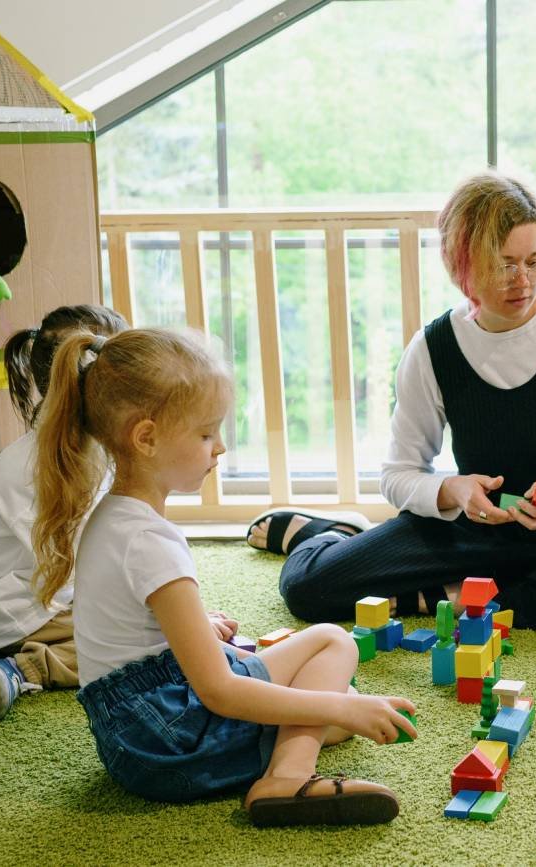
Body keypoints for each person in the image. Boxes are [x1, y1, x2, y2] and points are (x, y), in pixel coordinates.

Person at [252, 172, 536, 638]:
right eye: (504, 265)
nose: (523, 281)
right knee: (310, 589)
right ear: (461, 264)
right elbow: (398, 473)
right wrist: (452, 491)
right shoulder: (432, 349)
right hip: (474, 533)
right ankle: (325, 535)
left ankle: (457, 596)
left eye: (535, 261)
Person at [33, 327, 415, 826]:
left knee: (330, 687)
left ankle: (301, 740)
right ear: (146, 437)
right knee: (333, 665)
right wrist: (340, 710)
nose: (221, 448)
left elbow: (134, 635)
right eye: (206, 433)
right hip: (168, 738)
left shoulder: (113, 514)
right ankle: (289, 776)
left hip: (133, 733)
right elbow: (218, 692)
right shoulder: (152, 541)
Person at [0, 304, 128, 720]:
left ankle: (8, 650)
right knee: (139, 643)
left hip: (24, 596)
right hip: (9, 605)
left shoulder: (82, 448)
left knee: (151, 624)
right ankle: (21, 666)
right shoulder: (43, 463)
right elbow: (76, 566)